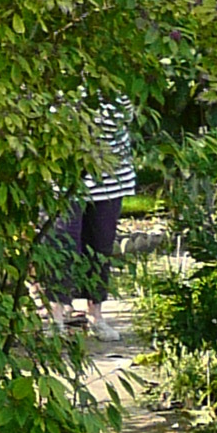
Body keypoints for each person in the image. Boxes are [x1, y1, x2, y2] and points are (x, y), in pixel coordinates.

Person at [44, 101, 135, 317]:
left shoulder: (116, 78)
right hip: (64, 179)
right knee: (62, 247)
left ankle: (96, 315)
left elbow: (121, 116)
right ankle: (57, 317)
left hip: (111, 177)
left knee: (101, 246)